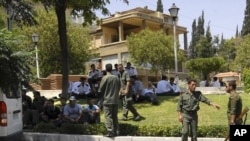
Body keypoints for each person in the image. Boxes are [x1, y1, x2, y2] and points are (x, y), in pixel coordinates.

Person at [98, 63, 121, 137]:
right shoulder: (116, 78)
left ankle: (110, 131)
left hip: (107, 100)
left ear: (106, 69)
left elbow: (100, 89)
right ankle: (117, 131)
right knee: (115, 116)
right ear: (112, 69)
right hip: (115, 100)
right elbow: (119, 87)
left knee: (108, 116)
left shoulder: (105, 78)